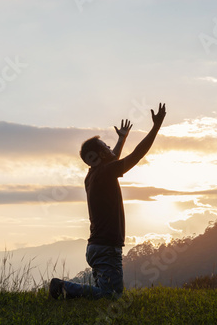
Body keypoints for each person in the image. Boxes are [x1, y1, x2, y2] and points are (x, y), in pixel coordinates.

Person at [50, 103, 166, 299]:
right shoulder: (104, 173)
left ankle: (69, 295)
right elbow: (137, 155)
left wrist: (121, 139)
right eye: (106, 146)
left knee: (107, 293)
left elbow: (111, 160)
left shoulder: (93, 175)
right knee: (111, 296)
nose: (110, 147)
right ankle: (62, 287)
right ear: (99, 156)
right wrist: (155, 127)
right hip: (106, 248)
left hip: (96, 247)